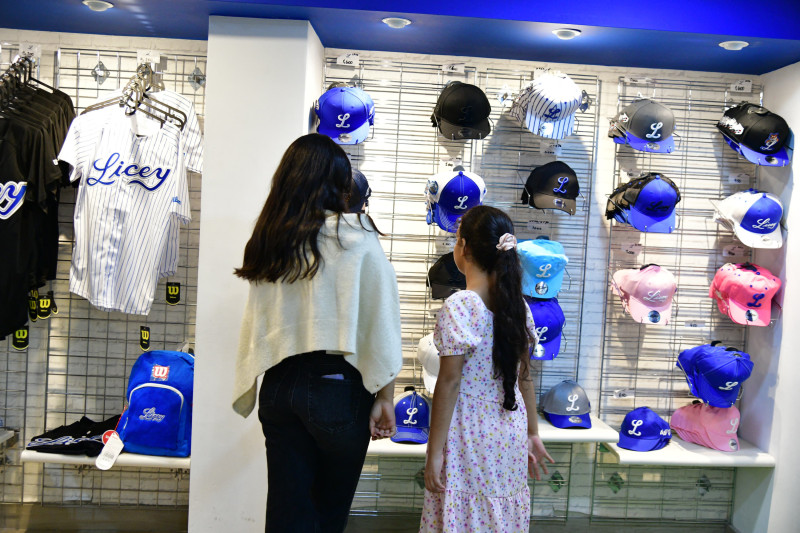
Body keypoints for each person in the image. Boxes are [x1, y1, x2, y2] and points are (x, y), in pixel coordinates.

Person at [232, 133, 403, 533]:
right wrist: (386, 396)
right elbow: (382, 320)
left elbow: (259, 320)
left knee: (286, 517)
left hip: (277, 386)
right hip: (337, 387)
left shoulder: (271, 239)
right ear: (341, 183)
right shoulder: (357, 237)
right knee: (328, 516)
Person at [420, 205, 554, 533]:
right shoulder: (517, 306)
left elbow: (449, 383)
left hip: (469, 437)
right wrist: (532, 433)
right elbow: (524, 377)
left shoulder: (461, 306)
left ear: (463, 247)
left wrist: (434, 452)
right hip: (508, 434)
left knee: (464, 515)